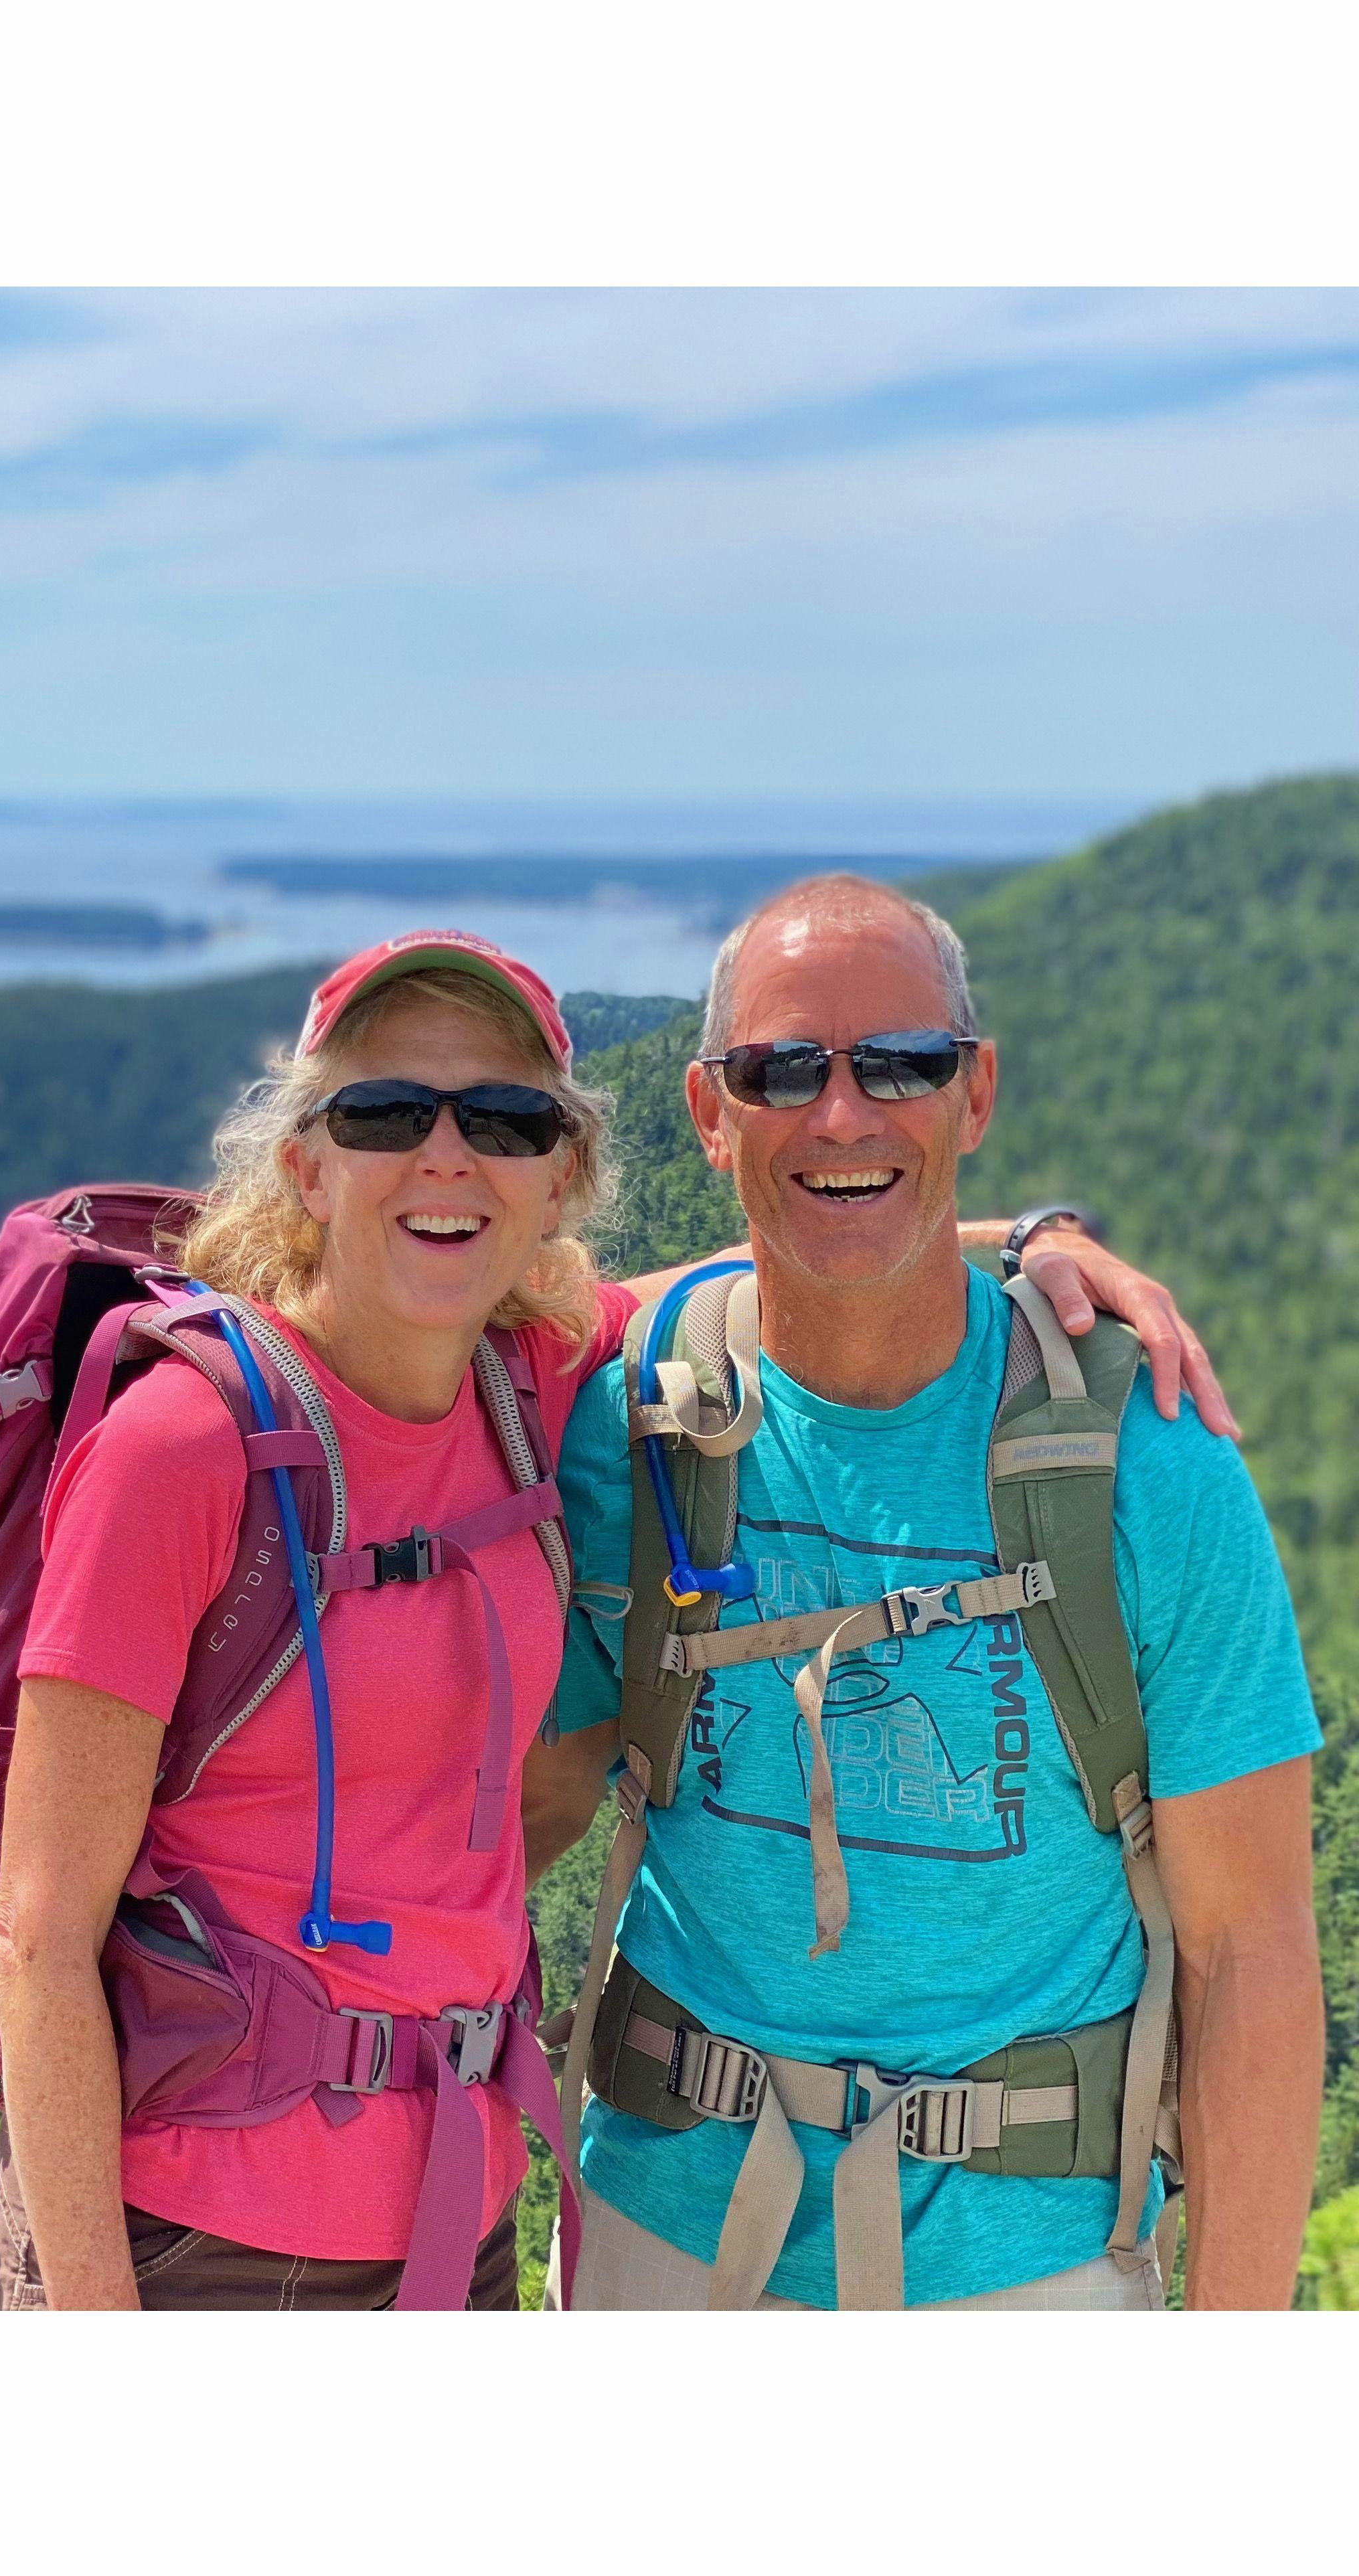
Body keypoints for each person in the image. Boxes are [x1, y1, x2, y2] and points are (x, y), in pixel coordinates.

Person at [0, 927, 1214, 2310]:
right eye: (386, 1112)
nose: (449, 1157)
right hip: (192, 2236)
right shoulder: (182, 1448)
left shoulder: (532, 1377)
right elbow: (36, 1931)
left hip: (460, 2216)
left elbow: (823, 1243)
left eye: (503, 1119)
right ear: (305, 1165)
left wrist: (1041, 1242)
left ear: (557, 1176)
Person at [525, 873, 1322, 2311]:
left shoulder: (1148, 1459)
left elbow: (1251, 1948)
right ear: (712, 1114)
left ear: (976, 1093)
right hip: (664, 2230)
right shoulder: (628, 1422)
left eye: (901, 1065)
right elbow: (527, 1802)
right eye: (784, 1071)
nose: (843, 1113)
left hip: (1038, 2266)